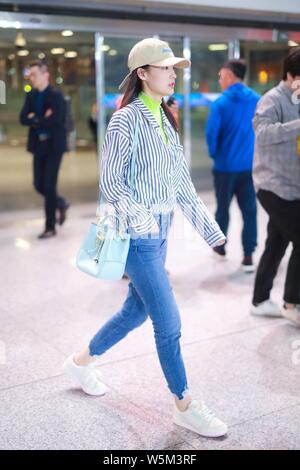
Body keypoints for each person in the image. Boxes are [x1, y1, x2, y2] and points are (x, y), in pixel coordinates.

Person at [63, 38, 228, 438]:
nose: (173, 74)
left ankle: (81, 362)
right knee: (168, 321)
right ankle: (184, 404)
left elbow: (181, 185)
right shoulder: (126, 119)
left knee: (136, 311)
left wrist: (211, 232)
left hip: (160, 233)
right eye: (166, 67)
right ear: (142, 73)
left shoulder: (165, 118)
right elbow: (112, 183)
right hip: (138, 237)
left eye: (175, 68)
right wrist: (143, 223)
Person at [250, 47, 300, 325]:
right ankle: (292, 303)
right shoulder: (272, 99)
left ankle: (259, 300)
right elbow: (263, 132)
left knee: (277, 242)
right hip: (272, 185)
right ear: (291, 75)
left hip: (294, 186)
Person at [206, 60, 260, 272]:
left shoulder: (220, 104)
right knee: (250, 211)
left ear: (229, 75)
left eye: (221, 75)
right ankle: (248, 255)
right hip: (248, 167)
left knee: (223, 209)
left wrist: (215, 155)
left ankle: (220, 247)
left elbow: (212, 135)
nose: (220, 80)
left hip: (225, 168)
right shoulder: (257, 100)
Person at [20, 61, 69, 239]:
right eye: (30, 75)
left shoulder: (56, 96)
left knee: (49, 186)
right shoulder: (31, 96)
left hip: (54, 146)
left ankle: (50, 227)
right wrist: (41, 118)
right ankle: (61, 203)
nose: (31, 78)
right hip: (38, 145)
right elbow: (23, 118)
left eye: (34, 74)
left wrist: (35, 118)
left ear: (45, 75)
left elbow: (56, 120)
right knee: (38, 184)